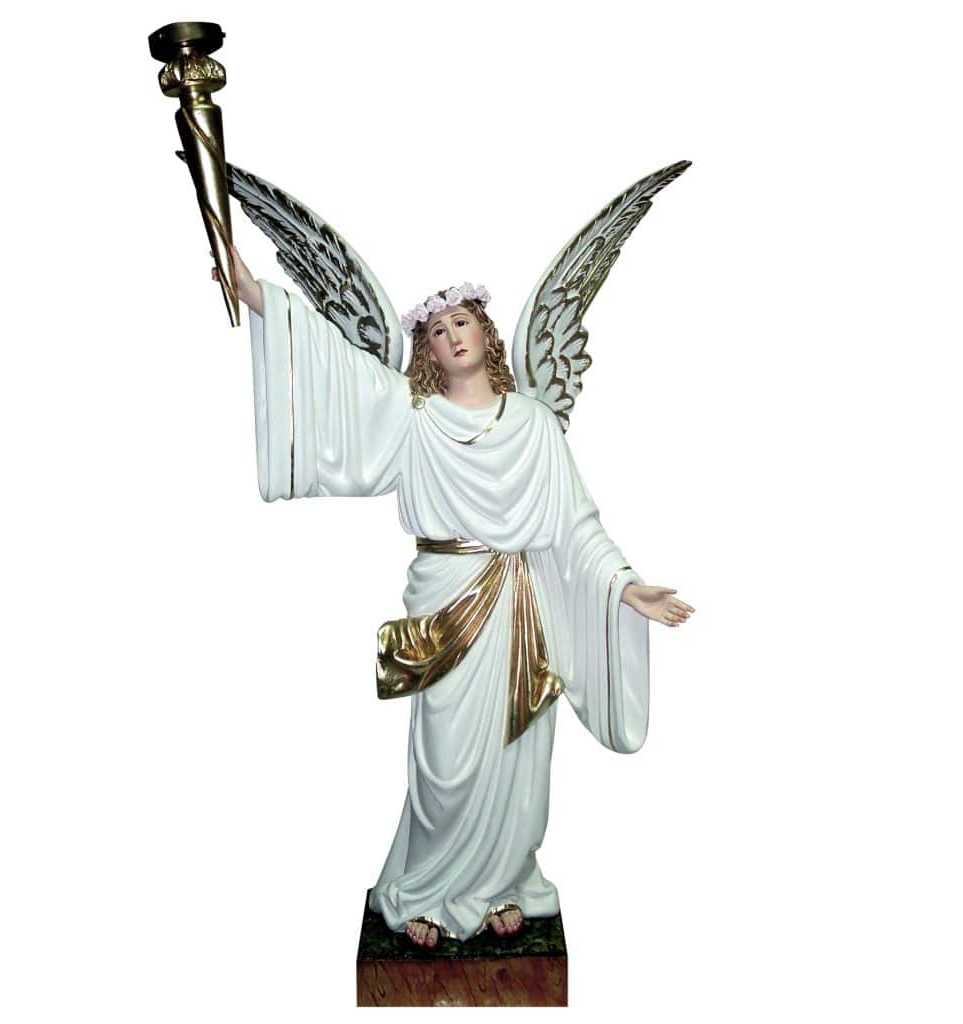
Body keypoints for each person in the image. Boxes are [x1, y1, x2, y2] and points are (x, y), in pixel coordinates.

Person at [214, 249, 694, 948]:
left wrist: (624, 586)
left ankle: (503, 883)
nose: (452, 335)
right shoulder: (415, 419)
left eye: (462, 321)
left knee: (516, 758)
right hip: (446, 601)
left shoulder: (533, 423)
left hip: (521, 609)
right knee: (447, 764)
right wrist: (259, 295)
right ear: (427, 352)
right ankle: (428, 888)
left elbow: (576, 525)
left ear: (486, 332)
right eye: (436, 331)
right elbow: (340, 373)